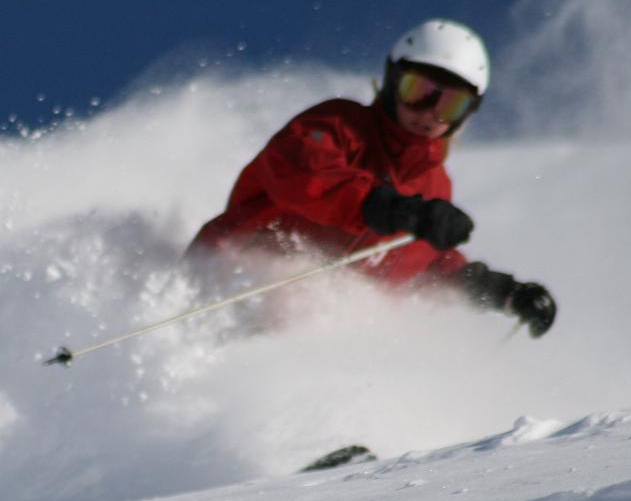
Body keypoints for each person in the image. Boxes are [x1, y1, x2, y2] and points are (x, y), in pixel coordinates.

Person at [186, 19, 556, 337]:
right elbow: (301, 174)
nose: (428, 112)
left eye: (449, 104)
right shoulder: (338, 126)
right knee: (294, 302)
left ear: (465, 114)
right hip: (227, 286)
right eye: (419, 91)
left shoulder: (433, 186)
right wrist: (387, 207)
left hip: (306, 338)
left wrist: (501, 291)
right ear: (392, 82)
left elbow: (425, 262)